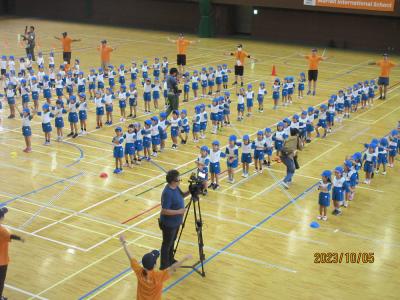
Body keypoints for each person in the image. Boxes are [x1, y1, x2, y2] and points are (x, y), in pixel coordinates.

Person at [119, 235, 192, 300]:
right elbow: (173, 267)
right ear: (155, 265)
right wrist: (184, 259)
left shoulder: (139, 271)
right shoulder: (158, 276)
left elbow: (130, 256)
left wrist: (123, 242)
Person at [159, 170, 189, 270]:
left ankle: (170, 260)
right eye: (178, 179)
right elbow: (164, 211)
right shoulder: (167, 193)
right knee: (167, 244)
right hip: (168, 224)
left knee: (172, 242)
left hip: (176, 222)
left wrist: (191, 191)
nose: (179, 180)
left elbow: (182, 195)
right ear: (172, 181)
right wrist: (179, 212)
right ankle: (164, 265)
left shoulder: (175, 187)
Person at [0, 207, 25, 300]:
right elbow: (10, 236)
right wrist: (20, 238)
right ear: (1, 218)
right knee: (0, 281)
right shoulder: (2, 230)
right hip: (1, 261)